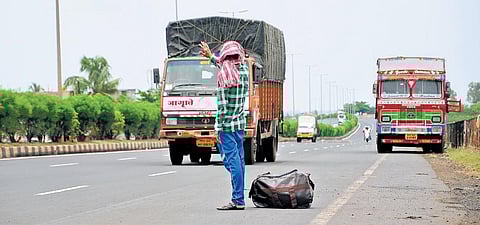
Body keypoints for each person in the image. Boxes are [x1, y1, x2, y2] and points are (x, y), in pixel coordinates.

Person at [199, 41, 248, 210]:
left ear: (225, 56)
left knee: (231, 162)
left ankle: (238, 199)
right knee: (239, 162)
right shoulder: (244, 72)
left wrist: (216, 128)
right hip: (240, 124)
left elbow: (222, 106)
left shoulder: (224, 77)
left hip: (226, 127)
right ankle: (239, 196)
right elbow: (223, 63)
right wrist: (210, 57)